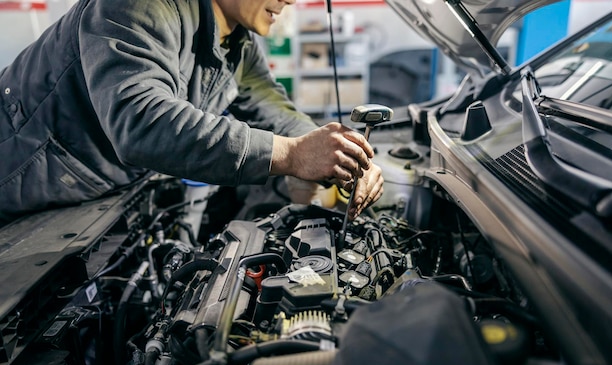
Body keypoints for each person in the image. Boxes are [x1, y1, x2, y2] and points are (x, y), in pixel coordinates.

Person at [0, 0, 383, 225]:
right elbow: (141, 122)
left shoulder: (234, 41)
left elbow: (273, 107)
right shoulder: (140, 4)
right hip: (16, 178)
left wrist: (339, 152)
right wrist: (292, 154)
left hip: (87, 192)